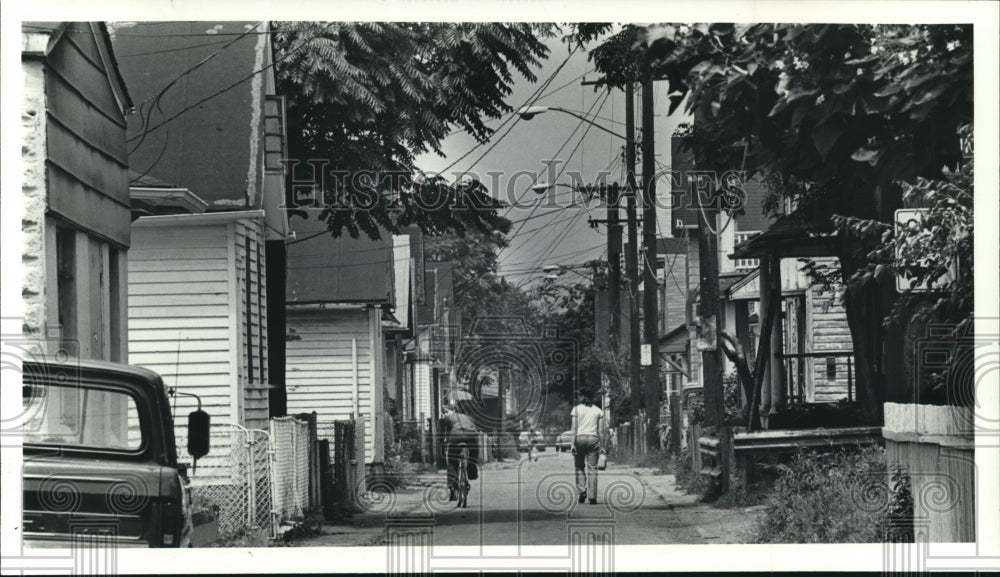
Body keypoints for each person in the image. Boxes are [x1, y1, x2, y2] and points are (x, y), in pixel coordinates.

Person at [571, 390, 606, 505]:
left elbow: (574, 427)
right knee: (592, 468)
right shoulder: (598, 411)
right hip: (593, 439)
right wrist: (602, 445)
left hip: (579, 439)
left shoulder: (576, 409)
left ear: (582, 397)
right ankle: (592, 496)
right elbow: (601, 430)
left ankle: (582, 491)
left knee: (579, 466)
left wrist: (572, 444)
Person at [441, 401, 480, 501]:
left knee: (451, 461)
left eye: (445, 411)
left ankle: (452, 484)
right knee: (473, 454)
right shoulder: (470, 417)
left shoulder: (448, 417)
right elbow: (476, 430)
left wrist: (444, 441)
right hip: (471, 436)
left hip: (456, 436)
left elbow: (445, 432)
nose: (444, 413)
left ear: (453, 410)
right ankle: (472, 472)